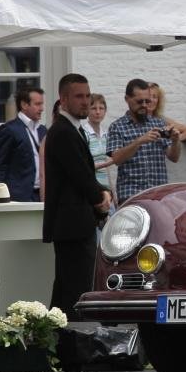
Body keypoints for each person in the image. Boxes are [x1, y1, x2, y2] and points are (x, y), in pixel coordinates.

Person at [43, 74, 113, 316]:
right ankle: (70, 337)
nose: (85, 101)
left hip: (75, 222)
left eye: (87, 95)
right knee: (76, 289)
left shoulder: (73, 129)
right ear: (63, 99)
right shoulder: (63, 131)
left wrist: (101, 193)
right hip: (71, 224)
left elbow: (83, 172)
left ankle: (59, 335)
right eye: (79, 96)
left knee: (68, 287)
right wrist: (100, 197)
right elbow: (79, 174)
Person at [105, 77, 181, 204]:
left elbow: (174, 157)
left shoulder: (159, 123)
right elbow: (117, 159)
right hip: (131, 195)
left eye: (147, 101)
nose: (144, 105)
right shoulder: (117, 126)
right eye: (139, 101)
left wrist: (175, 141)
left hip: (158, 195)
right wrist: (139, 141)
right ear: (127, 99)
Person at [0, 85, 46, 202]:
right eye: (37, 104)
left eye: (42, 104)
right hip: (19, 197)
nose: (42, 108)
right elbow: (1, 166)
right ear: (24, 105)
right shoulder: (9, 129)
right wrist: (0, 197)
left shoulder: (43, 130)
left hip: (42, 195)